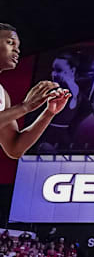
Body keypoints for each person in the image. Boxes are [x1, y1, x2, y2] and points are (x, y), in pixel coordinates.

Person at [0, 23, 72, 158]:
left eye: (18, 46)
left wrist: (48, 113)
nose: (17, 50)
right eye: (10, 43)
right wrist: (25, 107)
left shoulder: (2, 93)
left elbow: (14, 148)